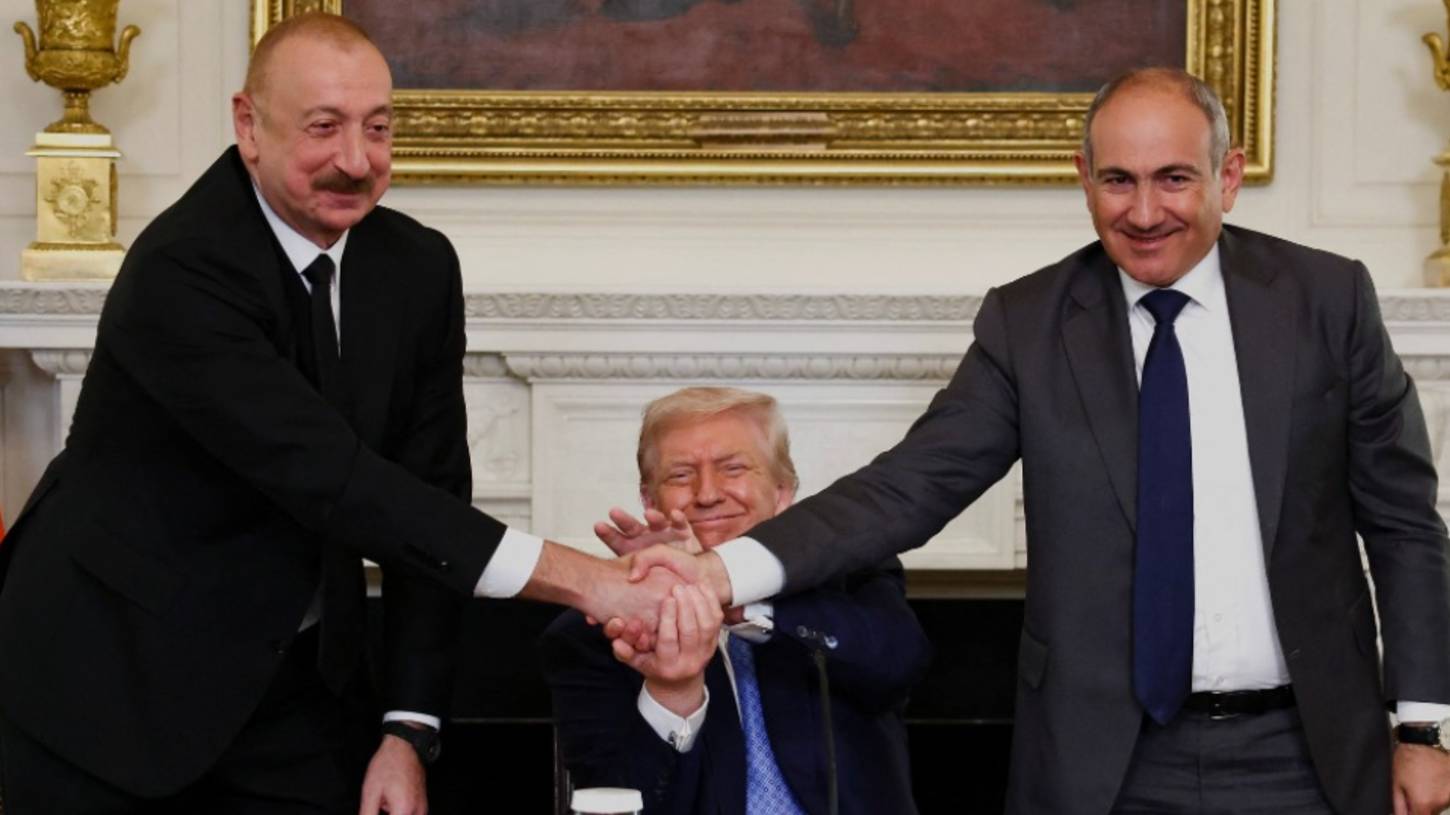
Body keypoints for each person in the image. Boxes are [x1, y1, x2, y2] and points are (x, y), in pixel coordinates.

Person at [614, 69, 1450, 815]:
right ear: (1084, 179)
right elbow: (907, 487)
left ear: (1227, 179)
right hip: (1106, 762)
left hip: (1307, 750)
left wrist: (1424, 726)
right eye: (1118, 180)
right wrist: (720, 571)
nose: (1145, 212)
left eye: (1174, 178)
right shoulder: (1029, 323)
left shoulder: (1326, 301)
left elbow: (1405, 523)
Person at [0, 12, 673, 815]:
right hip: (106, 684)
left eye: (377, 128)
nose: (356, 161)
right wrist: (591, 582)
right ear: (249, 125)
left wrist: (408, 727)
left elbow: (430, 498)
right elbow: (343, 484)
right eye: (324, 127)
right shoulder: (183, 269)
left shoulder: (417, 267)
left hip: (297, 683)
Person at [542, 387, 930, 814]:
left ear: (782, 492)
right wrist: (672, 691)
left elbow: (900, 665)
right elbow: (619, 799)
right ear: (650, 500)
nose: (707, 494)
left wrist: (740, 603)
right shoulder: (597, 633)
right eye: (681, 475)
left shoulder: (851, 574)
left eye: (733, 468)